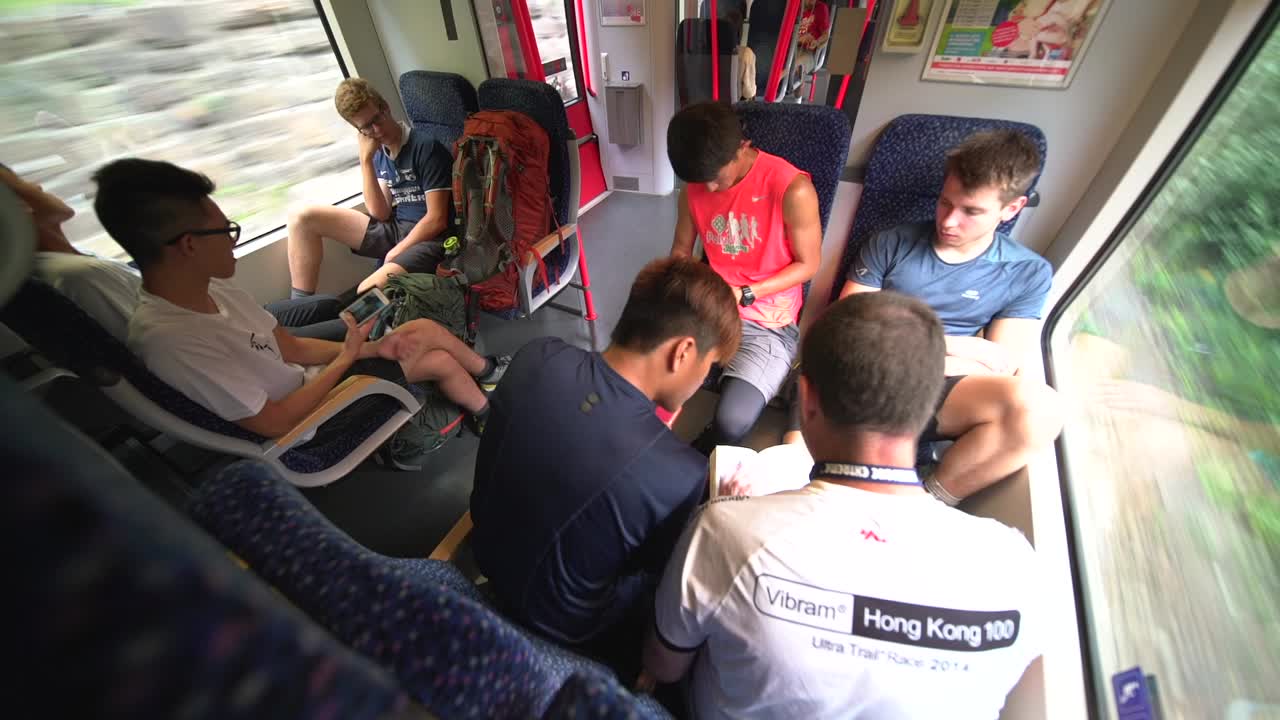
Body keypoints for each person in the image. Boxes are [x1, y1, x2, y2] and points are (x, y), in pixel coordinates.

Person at [644, 291, 1042, 718]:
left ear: (808, 401)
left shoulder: (727, 530)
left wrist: (744, 515)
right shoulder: (1014, 561)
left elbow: (663, 666)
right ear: (927, 408)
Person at [92, 158, 501, 437]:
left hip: (309, 381)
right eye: (225, 232)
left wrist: (370, 347)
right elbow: (276, 424)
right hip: (309, 420)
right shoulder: (172, 341)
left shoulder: (211, 287)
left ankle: (485, 378)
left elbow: (287, 345)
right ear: (188, 246)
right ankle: (488, 410)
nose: (233, 244)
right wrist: (345, 358)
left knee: (417, 330)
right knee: (434, 357)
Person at [470, 257, 740, 664]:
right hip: (564, 628)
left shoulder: (537, 354)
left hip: (487, 555)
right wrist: (717, 514)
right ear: (684, 352)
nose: (704, 381)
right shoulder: (682, 473)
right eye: (710, 367)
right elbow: (654, 572)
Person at [830, 129, 1063, 505]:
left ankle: (927, 502)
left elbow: (998, 366)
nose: (949, 221)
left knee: (1040, 410)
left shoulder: (1026, 272)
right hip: (864, 377)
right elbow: (844, 330)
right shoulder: (891, 243)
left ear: (1012, 209)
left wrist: (894, 339)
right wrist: (953, 344)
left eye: (971, 211)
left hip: (938, 389)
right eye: (944, 202)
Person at [1, 163, 353, 343]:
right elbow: (152, 337)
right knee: (359, 331)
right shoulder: (78, 276)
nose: (38, 185)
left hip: (231, 322)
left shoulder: (74, 262)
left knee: (325, 305)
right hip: (231, 336)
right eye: (21, 184)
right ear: (16, 210)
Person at [667, 102, 822, 452]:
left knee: (731, 422)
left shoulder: (791, 188)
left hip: (767, 321)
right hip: (709, 307)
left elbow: (808, 264)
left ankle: (691, 462)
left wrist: (747, 292)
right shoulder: (696, 186)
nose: (707, 189)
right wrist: (684, 289)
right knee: (645, 377)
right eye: (697, 181)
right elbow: (680, 249)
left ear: (743, 147)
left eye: (715, 177)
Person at [287, 78, 456, 299]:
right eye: (367, 127)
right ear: (358, 131)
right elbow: (381, 212)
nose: (376, 129)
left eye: (377, 118)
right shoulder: (379, 153)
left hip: (433, 238)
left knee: (366, 292)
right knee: (303, 219)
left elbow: (437, 219)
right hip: (398, 227)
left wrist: (397, 251)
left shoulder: (425, 148)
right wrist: (365, 160)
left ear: (385, 107)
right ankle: (300, 307)